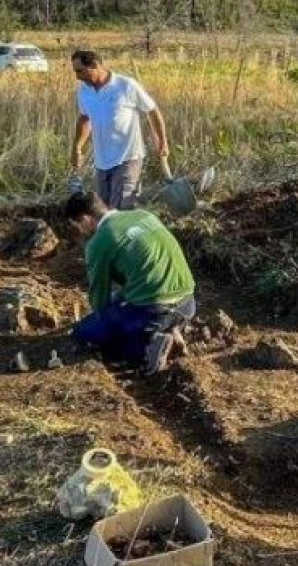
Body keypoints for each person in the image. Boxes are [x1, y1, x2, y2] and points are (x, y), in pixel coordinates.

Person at [63, 191, 197, 375]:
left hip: (154, 309)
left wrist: (100, 321)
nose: (80, 231)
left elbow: (99, 299)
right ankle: (173, 328)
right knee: (121, 300)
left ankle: (148, 344)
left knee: (84, 333)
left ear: (86, 220)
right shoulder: (144, 214)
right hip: (188, 303)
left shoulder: (99, 242)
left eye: (78, 226)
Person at [71, 50, 169, 210]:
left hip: (128, 158)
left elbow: (152, 110)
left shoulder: (126, 86)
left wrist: (162, 141)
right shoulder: (84, 91)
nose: (77, 77)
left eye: (80, 71)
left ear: (95, 65)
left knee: (122, 207)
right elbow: (84, 119)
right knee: (105, 211)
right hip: (102, 162)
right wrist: (77, 147)